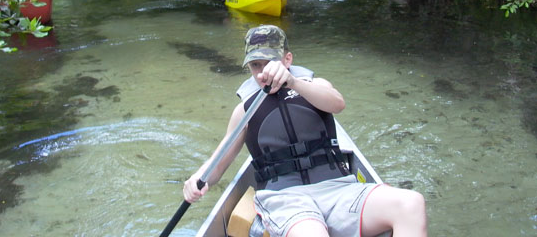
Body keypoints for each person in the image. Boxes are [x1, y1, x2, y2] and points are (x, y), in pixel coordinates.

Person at [183, 25, 427, 237]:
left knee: (411, 203)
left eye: (269, 63)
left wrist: (294, 82)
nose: (262, 72)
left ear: (288, 59)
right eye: (255, 65)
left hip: (340, 190)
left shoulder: (314, 86)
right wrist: (196, 179)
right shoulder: (244, 110)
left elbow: (337, 104)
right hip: (285, 200)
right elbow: (219, 161)